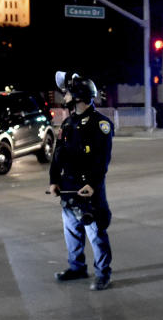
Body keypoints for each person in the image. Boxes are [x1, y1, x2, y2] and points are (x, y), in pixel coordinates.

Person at [49, 71, 114, 291]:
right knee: (72, 232)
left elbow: (102, 160)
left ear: (78, 96)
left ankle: (103, 273)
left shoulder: (100, 124)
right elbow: (58, 155)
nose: (64, 95)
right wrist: (54, 180)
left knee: (96, 233)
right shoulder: (68, 124)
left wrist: (93, 184)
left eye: (67, 92)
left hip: (88, 189)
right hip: (68, 187)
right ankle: (77, 267)